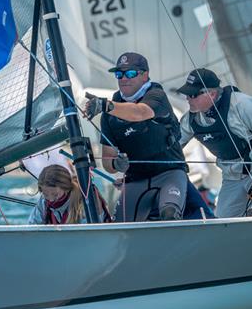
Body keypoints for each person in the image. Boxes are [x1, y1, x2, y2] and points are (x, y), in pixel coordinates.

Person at [84, 52, 213, 222]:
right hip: (136, 180)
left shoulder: (156, 95)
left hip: (169, 174)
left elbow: (140, 113)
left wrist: (106, 105)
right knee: (120, 228)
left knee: (169, 215)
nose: (124, 78)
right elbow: (107, 160)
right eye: (119, 74)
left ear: (145, 75)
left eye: (130, 73)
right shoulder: (110, 116)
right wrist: (116, 163)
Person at [177, 68, 252, 217]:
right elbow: (172, 147)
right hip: (231, 176)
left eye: (193, 95)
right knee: (222, 224)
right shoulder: (190, 120)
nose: (188, 99)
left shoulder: (241, 105)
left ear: (212, 94)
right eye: (186, 94)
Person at [27, 164, 111, 224]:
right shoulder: (44, 202)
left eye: (55, 195)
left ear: (66, 188)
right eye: (46, 195)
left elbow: (90, 236)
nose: (51, 200)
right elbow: (32, 227)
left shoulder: (85, 200)